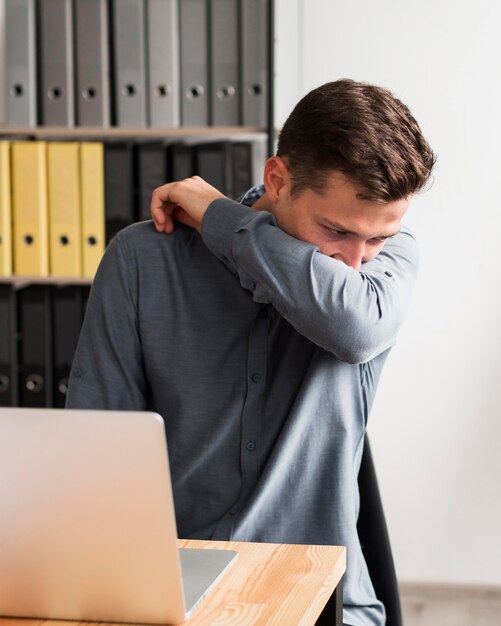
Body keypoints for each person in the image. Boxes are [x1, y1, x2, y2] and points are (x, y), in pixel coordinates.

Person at [67, 79, 435, 626]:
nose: (356, 263)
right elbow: (96, 449)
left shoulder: (387, 263)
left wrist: (219, 215)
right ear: (277, 180)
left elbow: (354, 325)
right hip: (172, 591)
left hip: (326, 603)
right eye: (335, 231)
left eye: (376, 240)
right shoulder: (145, 260)